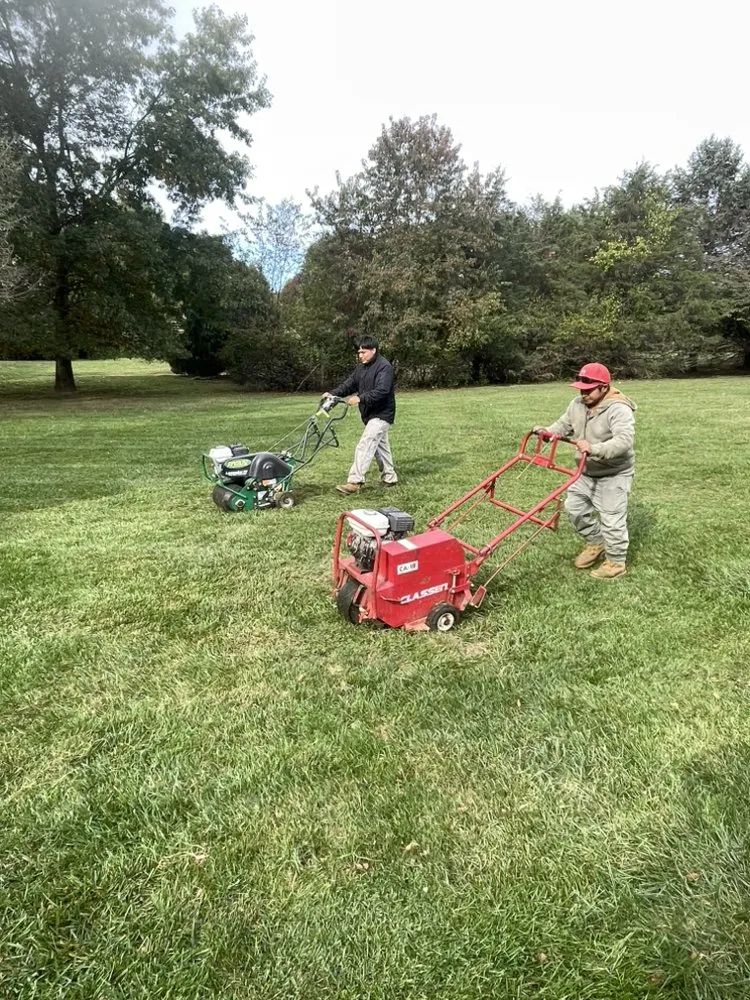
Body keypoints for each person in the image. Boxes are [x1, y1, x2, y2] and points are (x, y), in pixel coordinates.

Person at [536, 362, 636, 579]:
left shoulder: (619, 409)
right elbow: (564, 424)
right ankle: (596, 542)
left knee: (612, 519)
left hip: (614, 473)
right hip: (585, 471)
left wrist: (594, 448)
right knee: (573, 508)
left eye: (588, 390)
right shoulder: (578, 403)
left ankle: (616, 563)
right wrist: (547, 432)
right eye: (581, 389)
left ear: (604, 387)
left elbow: (624, 441)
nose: (583, 394)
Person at [324, 335, 398, 496]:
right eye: (359, 352)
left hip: (382, 413)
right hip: (369, 414)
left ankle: (355, 481)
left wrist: (360, 398)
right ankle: (390, 478)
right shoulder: (361, 368)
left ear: (374, 350)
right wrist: (333, 393)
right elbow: (349, 384)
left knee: (366, 443)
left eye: (364, 352)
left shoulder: (384, 367)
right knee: (380, 447)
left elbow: (382, 390)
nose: (360, 355)